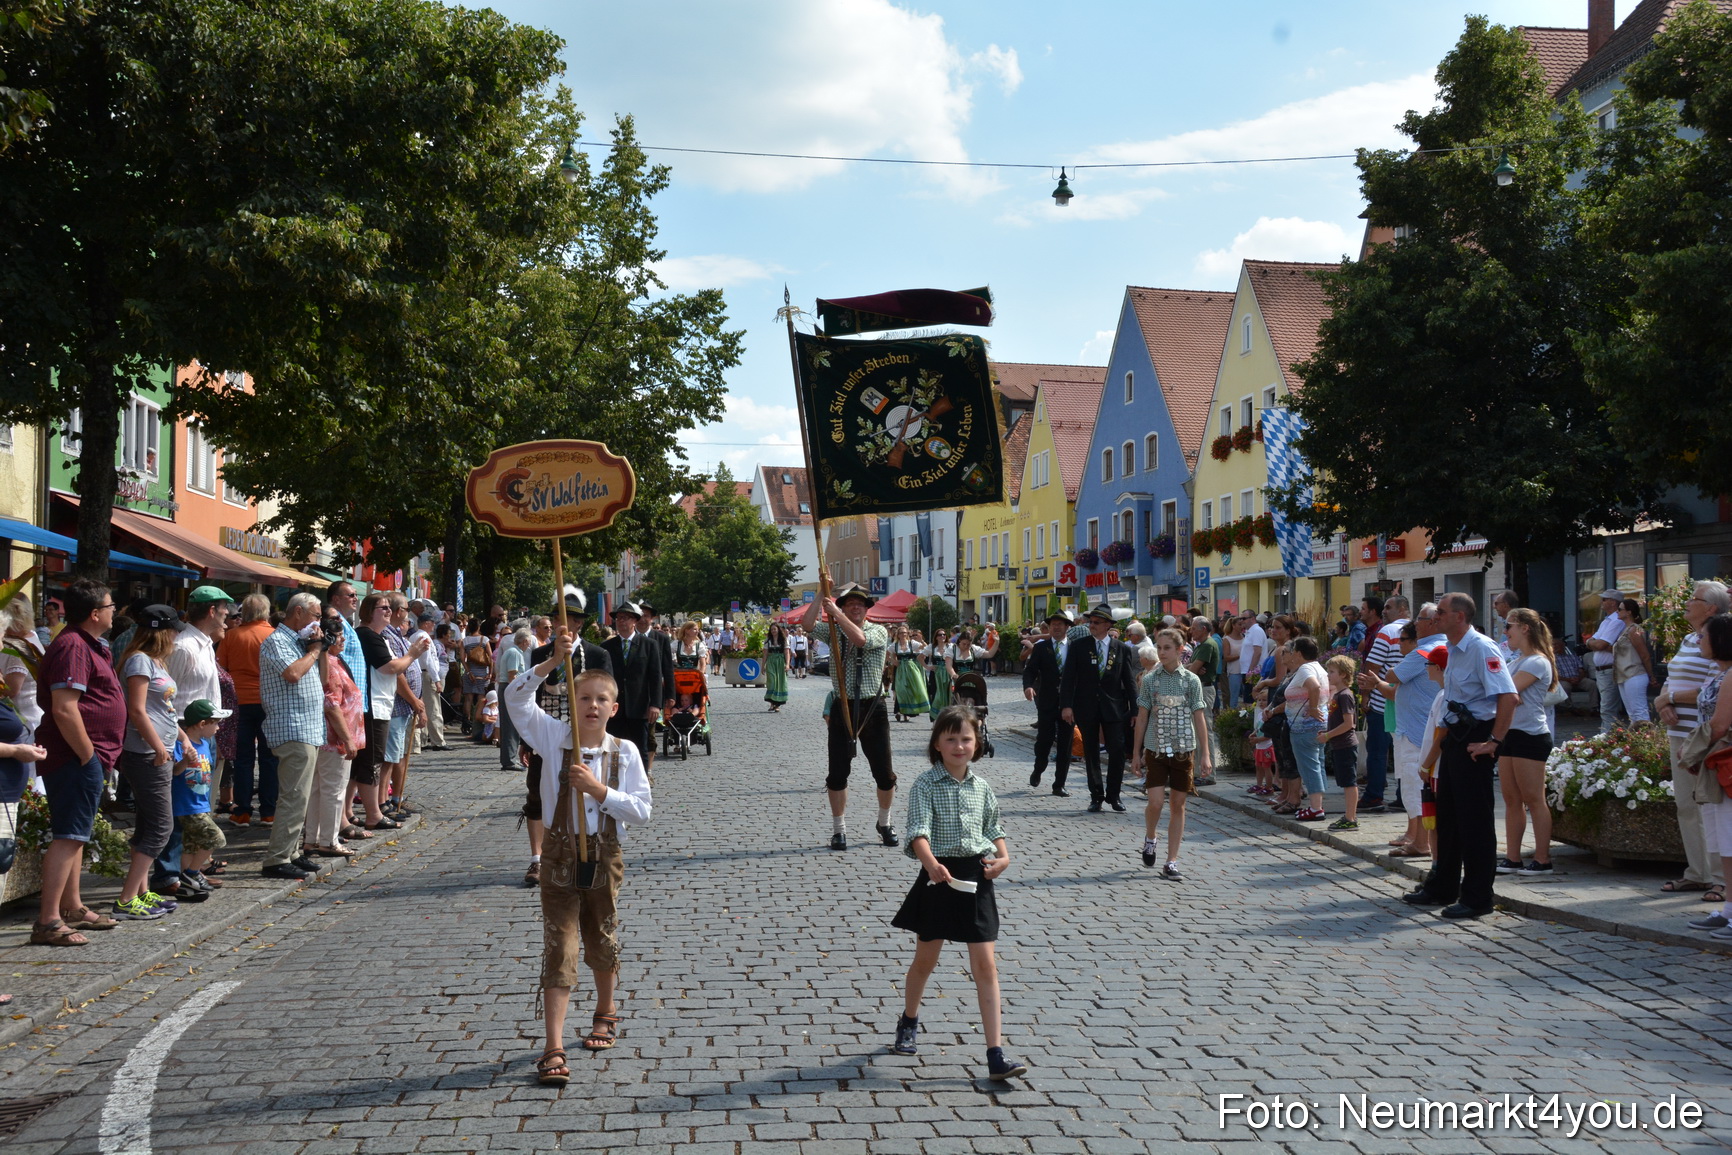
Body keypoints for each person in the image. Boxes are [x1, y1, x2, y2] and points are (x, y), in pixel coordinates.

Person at [500, 644, 651, 1082]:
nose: (592, 706)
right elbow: (515, 700)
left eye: (601, 700)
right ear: (571, 702)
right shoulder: (552, 737)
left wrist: (599, 791)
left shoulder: (624, 753)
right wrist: (552, 663)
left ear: (614, 708)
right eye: (584, 698)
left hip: (605, 858)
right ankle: (553, 1045)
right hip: (559, 859)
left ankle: (607, 1009)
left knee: (602, 936)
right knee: (560, 945)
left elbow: (642, 809)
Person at [887, 705, 1024, 1082]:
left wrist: (1004, 858)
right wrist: (930, 863)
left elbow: (993, 826)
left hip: (976, 876)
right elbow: (917, 831)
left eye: (966, 739)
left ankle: (995, 1054)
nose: (960, 746)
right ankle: (909, 1020)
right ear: (937, 744)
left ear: (977, 743)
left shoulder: (982, 787)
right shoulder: (925, 784)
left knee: (986, 964)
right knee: (925, 961)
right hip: (938, 875)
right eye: (952, 739)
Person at [1404, 592, 1518, 920]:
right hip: (1456, 737)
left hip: (1476, 740)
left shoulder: (1481, 648)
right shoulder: (1453, 648)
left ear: (1460, 617)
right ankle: (1443, 886)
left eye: (1441, 612)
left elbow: (1509, 697)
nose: (1435, 616)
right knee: (1448, 818)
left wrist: (1494, 742)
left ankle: (1478, 896)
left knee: (1475, 823)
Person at [30, 580, 125, 945]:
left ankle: (71, 906)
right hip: (75, 756)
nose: (115, 610)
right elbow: (65, 709)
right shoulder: (72, 646)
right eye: (111, 605)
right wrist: (88, 756)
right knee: (68, 835)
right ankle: (48, 921)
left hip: (87, 755)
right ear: (95, 613)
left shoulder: (85, 644)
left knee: (78, 832)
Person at [523, 590, 612, 889]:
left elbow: (608, 696)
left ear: (578, 625)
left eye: (570, 621)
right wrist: (527, 740)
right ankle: (538, 857)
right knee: (536, 793)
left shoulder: (598, 655)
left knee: (586, 792)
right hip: (547, 733)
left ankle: (586, 848)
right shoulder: (539, 654)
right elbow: (528, 698)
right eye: (559, 619)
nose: (564, 626)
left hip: (584, 736)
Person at [801, 583, 896, 851]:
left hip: (872, 707)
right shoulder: (833, 631)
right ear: (842, 605)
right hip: (842, 706)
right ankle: (839, 830)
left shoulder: (878, 630)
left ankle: (885, 823)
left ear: (866, 609)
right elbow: (807, 625)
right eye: (849, 603)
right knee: (837, 773)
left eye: (860, 604)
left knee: (885, 774)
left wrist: (837, 615)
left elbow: (861, 640)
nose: (855, 606)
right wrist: (822, 594)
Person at [1655, 581, 1732, 899]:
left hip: (1704, 735)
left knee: (1711, 807)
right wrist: (1664, 702)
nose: (1686, 601)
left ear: (1711, 608)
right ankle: (1697, 872)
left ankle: (1720, 879)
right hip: (1680, 732)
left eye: (1693, 598)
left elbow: (1714, 689)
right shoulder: (1690, 639)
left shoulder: (1722, 639)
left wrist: (1667, 698)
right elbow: (1673, 678)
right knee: (1686, 805)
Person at [113, 605, 187, 920]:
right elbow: (137, 709)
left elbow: (165, 707)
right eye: (173, 629)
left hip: (160, 749)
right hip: (144, 752)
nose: (176, 635)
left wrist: (182, 737)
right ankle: (127, 898)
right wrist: (158, 746)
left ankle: (142, 893)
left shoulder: (155, 660)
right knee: (160, 826)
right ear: (160, 631)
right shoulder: (139, 660)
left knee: (147, 824)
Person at [1361, 606, 1446, 858]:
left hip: (1416, 731)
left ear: (1432, 622)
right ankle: (1419, 840)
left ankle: (1422, 843)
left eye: (1420, 619)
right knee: (1416, 788)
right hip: (1418, 728)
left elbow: (1391, 674)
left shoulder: (1424, 650)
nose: (1415, 623)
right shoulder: (1436, 647)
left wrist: (1376, 682)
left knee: (1416, 787)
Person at [258, 592, 331, 880]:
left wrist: (320, 649)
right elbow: (291, 674)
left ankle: (291, 853)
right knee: (293, 796)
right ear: (298, 613)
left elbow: (322, 679)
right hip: (291, 727)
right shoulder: (277, 641)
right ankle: (276, 859)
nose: (318, 622)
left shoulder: (300, 643)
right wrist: (313, 651)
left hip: (307, 727)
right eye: (315, 616)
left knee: (300, 797)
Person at [1131, 629, 1211, 879]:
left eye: (1167, 648)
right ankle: (1151, 837)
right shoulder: (1150, 680)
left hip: (1183, 750)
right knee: (1155, 802)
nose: (1161, 652)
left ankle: (1171, 861)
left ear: (1179, 650)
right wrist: (1136, 752)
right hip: (1155, 748)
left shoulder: (1191, 680)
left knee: (1178, 804)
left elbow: (1199, 718)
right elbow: (1142, 718)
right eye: (1159, 647)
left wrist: (1205, 754)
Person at [1496, 608, 1560, 877]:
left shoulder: (1536, 661)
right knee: (1511, 799)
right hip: (1510, 734)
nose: (1504, 631)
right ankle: (1513, 858)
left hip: (1530, 735)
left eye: (1509, 625)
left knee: (1534, 799)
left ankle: (1543, 859)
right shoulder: (1518, 660)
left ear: (1524, 628)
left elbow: (1508, 692)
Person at [1059, 603, 1139, 814]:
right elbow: (1068, 679)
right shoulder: (1078, 646)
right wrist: (1066, 705)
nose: (1091, 625)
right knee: (1091, 752)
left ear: (1107, 625)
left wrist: (1136, 710)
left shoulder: (1121, 648)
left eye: (1096, 622)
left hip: (1114, 707)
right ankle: (1096, 796)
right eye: (1090, 622)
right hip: (1086, 707)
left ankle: (1115, 795)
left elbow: (1129, 681)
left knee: (1118, 750)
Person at [1682, 614, 1732, 939]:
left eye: (1703, 636)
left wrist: (1689, 751)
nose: (1698, 640)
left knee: (1729, 841)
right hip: (1716, 764)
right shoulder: (1721, 672)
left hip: (1725, 763)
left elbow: (1719, 725)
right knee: (1722, 842)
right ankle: (1729, 909)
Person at [215, 592, 276, 827]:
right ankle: (268, 810)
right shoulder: (273, 635)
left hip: (240, 702)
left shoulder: (231, 636)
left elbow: (222, 669)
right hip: (268, 701)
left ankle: (242, 810)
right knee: (269, 759)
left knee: (243, 758)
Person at [306, 607, 363, 859]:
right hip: (334, 738)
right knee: (333, 790)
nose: (344, 639)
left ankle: (314, 838)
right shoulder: (328, 664)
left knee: (320, 789)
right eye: (339, 636)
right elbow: (332, 705)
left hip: (330, 737)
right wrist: (348, 738)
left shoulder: (331, 662)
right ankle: (328, 840)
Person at [169, 699, 228, 895]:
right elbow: (176, 772)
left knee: (190, 845)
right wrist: (186, 760)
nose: (218, 728)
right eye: (216, 723)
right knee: (215, 838)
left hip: (200, 804)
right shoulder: (181, 745)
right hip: (186, 806)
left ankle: (187, 876)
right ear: (202, 724)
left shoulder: (204, 744)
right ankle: (192, 873)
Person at [1359, 595, 1410, 814]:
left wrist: (1365, 696)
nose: (1384, 612)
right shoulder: (1418, 631)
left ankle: (1374, 795)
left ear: (1402, 609)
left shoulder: (1387, 632)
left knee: (1378, 752)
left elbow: (1372, 666)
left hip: (1382, 701)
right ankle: (1403, 796)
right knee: (1405, 751)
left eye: (1388, 607)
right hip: (1408, 702)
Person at [601, 602, 669, 763]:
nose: (621, 621)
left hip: (639, 707)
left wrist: (655, 704)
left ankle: (641, 784)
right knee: (613, 750)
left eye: (625, 618)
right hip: (615, 709)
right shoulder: (607, 647)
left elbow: (655, 676)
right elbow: (603, 678)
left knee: (640, 750)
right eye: (618, 618)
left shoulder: (649, 645)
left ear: (634, 621)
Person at [1021, 610, 1074, 797]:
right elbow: (1030, 671)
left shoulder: (1075, 647)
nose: (1056, 627)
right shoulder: (1042, 648)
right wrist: (1028, 687)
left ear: (1067, 627)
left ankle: (1059, 784)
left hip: (1069, 704)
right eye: (1053, 625)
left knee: (1066, 744)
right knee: (1044, 740)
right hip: (1046, 701)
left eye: (1060, 624)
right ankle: (1039, 768)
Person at [1283, 637, 1329, 823]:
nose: (1292, 654)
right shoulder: (1320, 668)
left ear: (1299, 653)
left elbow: (1314, 687)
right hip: (1318, 726)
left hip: (1305, 727)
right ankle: (1318, 804)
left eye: (1293, 651)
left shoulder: (1305, 669)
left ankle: (1315, 808)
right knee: (1318, 763)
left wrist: (1313, 708)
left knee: (1309, 766)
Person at [1317, 655, 1360, 831]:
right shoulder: (1338, 695)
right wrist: (1328, 733)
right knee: (1344, 781)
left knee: (1349, 782)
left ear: (1343, 674)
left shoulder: (1345, 696)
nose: (1328, 675)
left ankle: (1350, 818)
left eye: (1332, 672)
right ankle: (1349, 816)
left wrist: (1328, 736)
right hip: (1339, 744)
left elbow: (1349, 723)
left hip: (1346, 744)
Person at [1583, 589, 1627, 733]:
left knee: (1608, 708)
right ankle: (1610, 736)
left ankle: (1607, 738)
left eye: (1604, 599)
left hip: (1609, 669)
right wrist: (1593, 643)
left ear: (1612, 602)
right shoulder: (1607, 620)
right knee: (1607, 707)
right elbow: (1591, 641)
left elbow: (1601, 644)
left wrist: (1595, 643)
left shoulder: (1616, 620)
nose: (1601, 602)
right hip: (1603, 670)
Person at [1184, 618, 1222, 779]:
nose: (1191, 632)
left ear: (1204, 628)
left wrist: (1187, 668)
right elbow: (1189, 667)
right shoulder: (1201, 645)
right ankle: (1200, 772)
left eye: (1194, 628)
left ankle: (1207, 774)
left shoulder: (1207, 644)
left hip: (1204, 689)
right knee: (1198, 732)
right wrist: (1188, 668)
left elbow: (1191, 670)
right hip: (1199, 688)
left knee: (1204, 731)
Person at [1612, 599, 1653, 724]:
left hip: (1635, 673)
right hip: (1623, 675)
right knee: (1632, 713)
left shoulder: (1634, 629)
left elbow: (1644, 654)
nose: (1617, 611)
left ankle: (1647, 738)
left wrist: (1651, 675)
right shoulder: (1625, 629)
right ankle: (1636, 740)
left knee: (1639, 711)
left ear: (1628, 612)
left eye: (1620, 609)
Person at [498, 627, 532, 769]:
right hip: (509, 689)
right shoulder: (514, 653)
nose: (529, 644)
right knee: (510, 726)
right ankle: (509, 760)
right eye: (529, 641)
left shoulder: (513, 652)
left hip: (507, 689)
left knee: (510, 725)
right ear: (524, 641)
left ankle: (509, 758)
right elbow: (513, 676)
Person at [890, 624, 930, 723]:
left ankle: (908, 713)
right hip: (900, 670)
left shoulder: (911, 643)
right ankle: (901, 711)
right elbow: (887, 654)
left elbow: (926, 648)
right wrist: (893, 660)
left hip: (911, 668)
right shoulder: (895, 645)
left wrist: (921, 640)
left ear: (907, 633)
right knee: (902, 690)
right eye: (901, 633)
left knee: (912, 689)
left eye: (904, 632)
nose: (903, 634)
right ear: (898, 635)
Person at [1237, 611, 1266, 704]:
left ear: (1252, 619)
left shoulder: (1256, 630)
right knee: (1247, 699)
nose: (1242, 621)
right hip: (1247, 670)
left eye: (1244, 618)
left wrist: (1251, 671)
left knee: (1250, 700)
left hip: (1253, 672)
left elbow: (1257, 652)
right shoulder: (1250, 631)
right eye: (1240, 619)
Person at [924, 627, 953, 716]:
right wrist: (927, 667)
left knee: (948, 695)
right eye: (940, 635)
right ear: (936, 637)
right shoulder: (931, 647)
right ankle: (935, 718)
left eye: (944, 634)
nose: (942, 636)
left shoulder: (951, 646)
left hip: (947, 674)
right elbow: (920, 657)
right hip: (935, 674)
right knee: (935, 694)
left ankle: (947, 716)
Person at [764, 623, 789, 712]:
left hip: (780, 661)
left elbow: (786, 652)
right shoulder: (768, 640)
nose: (773, 631)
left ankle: (777, 705)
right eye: (772, 629)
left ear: (778, 629)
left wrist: (787, 664)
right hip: (771, 661)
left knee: (779, 683)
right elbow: (765, 653)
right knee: (772, 681)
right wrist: (763, 665)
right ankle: (772, 703)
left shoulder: (783, 640)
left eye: (774, 629)